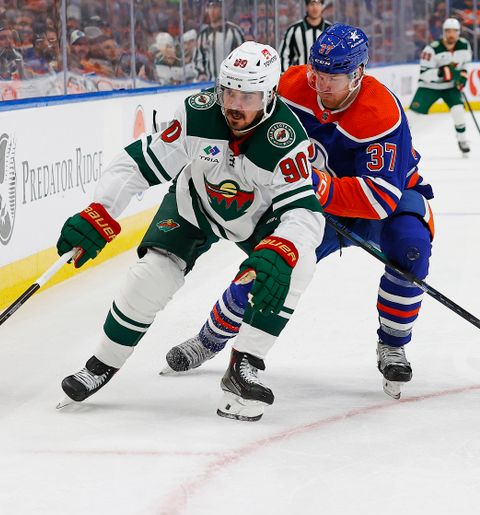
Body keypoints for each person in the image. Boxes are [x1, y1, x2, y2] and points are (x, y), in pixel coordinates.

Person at [55, 42, 324, 422]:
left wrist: (284, 247)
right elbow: (137, 162)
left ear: (270, 95)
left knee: (295, 267)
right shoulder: (198, 115)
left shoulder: (286, 139)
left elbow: (304, 211)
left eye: (248, 95)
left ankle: (244, 365)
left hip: (258, 220)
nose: (235, 104)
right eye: (229, 91)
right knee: (150, 276)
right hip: (194, 206)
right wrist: (101, 210)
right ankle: (101, 364)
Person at [164, 24, 434, 402]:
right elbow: (239, 113)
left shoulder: (381, 113)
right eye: (316, 73)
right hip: (317, 202)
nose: (320, 85)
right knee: (273, 262)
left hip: (383, 197)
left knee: (412, 250)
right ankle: (210, 338)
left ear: (357, 74)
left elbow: (379, 198)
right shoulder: (291, 86)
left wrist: (317, 186)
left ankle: (392, 344)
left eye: (331, 77)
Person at [408, 18, 473, 156]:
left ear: (458, 32)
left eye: (454, 31)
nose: (451, 34)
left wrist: (462, 78)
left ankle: (462, 140)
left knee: (458, 111)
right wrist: (440, 72)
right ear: (443, 32)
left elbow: (465, 66)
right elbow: (424, 73)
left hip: (450, 87)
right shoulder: (432, 49)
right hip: (429, 87)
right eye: (448, 31)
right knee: (412, 116)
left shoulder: (465, 45)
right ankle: (399, 142)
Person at [192, 0, 244, 81]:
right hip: (209, 83)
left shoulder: (234, 31)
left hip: (232, 83)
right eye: (210, 7)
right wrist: (201, 73)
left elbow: (243, 56)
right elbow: (198, 59)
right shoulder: (203, 35)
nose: (212, 11)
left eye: (215, 7)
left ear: (222, 9)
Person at [279, 0, 331, 72]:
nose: (315, 7)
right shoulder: (294, 30)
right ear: (306, 6)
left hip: (325, 78)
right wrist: (287, 76)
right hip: (300, 78)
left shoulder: (330, 30)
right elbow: (284, 55)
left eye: (318, 3)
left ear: (322, 6)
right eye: (312, 3)